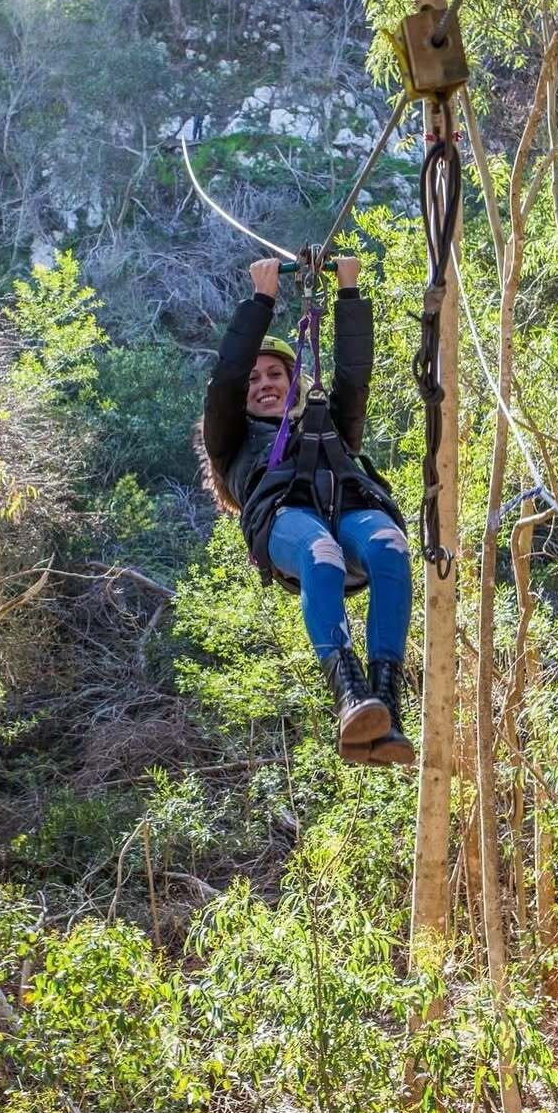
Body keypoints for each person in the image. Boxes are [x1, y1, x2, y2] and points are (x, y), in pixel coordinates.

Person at [199, 256, 414, 766]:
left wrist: (349, 294)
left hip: (352, 507)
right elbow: (227, 376)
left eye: (275, 373)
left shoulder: (330, 422)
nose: (263, 383)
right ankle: (349, 693)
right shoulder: (230, 439)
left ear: (295, 382)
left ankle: (386, 702)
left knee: (389, 549)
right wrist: (261, 302)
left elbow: (354, 375)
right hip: (284, 519)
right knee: (321, 556)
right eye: (256, 379)